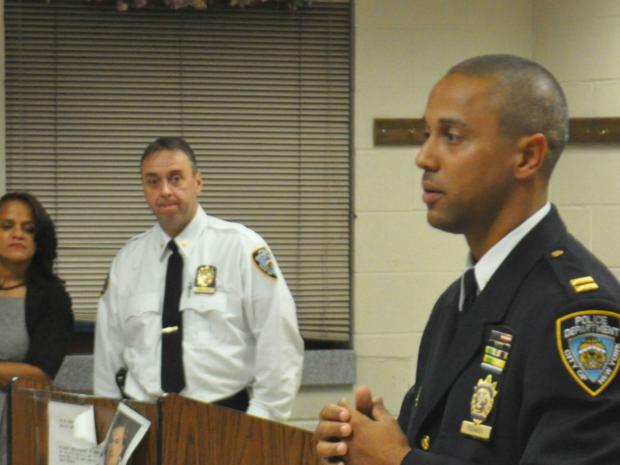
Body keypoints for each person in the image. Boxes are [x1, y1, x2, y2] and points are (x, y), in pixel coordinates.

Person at [314, 54, 620, 465]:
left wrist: (396, 460)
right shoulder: (460, 299)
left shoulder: (579, 315)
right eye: (426, 134)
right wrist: (366, 443)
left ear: (527, 157)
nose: (424, 157)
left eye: (452, 136)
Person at [94, 137, 304, 421]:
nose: (165, 191)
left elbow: (279, 345)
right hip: (142, 421)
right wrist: (109, 424)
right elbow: (107, 359)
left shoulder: (241, 248)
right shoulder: (127, 262)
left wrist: (257, 423)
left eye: (175, 178)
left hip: (223, 419)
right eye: (153, 182)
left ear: (198, 183)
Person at [0, 191, 73, 383]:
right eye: (7, 226)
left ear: (39, 240)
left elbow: (41, 375)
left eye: (29, 229)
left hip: (17, 401)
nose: (18, 234)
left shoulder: (52, 298)